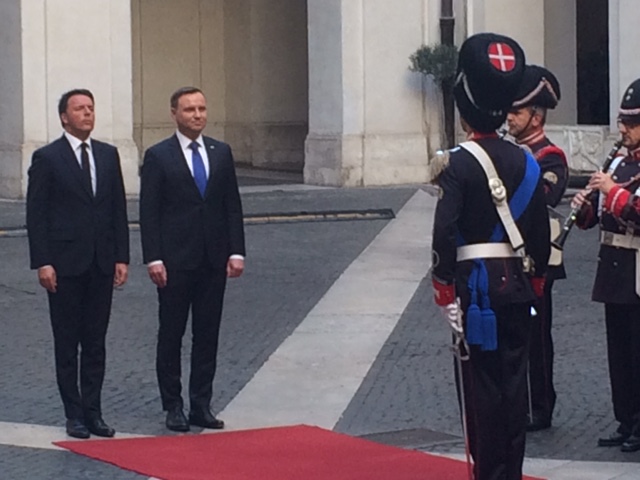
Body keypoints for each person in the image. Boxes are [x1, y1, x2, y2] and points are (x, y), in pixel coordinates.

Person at [431, 33, 550, 480]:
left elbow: (445, 230)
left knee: (479, 388)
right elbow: (539, 232)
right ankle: (511, 472)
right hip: (518, 284)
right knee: (514, 386)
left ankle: (488, 472)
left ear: (465, 113)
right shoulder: (528, 162)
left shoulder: (457, 163)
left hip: (475, 290)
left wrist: (444, 288)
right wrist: (534, 281)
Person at [139, 86, 245, 432]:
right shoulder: (159, 156)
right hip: (174, 262)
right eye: (189, 110)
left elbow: (231, 204)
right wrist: (153, 257)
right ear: (174, 114)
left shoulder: (221, 152)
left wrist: (236, 250)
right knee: (171, 335)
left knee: (207, 335)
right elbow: (149, 212)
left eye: (201, 108)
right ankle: (173, 406)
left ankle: (202, 404)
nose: (197, 115)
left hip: (213, 260)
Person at [26, 89, 129, 439]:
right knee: (67, 342)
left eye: (90, 108)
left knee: (96, 342)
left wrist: (121, 256)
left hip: (101, 262)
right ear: (64, 118)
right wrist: (43, 262)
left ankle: (94, 411)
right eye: (79, 109)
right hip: (65, 264)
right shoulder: (47, 158)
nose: (87, 113)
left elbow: (117, 209)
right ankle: (74, 413)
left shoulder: (107, 154)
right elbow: (36, 214)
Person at [572, 78, 640, 453]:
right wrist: (584, 206)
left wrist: (612, 191)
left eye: (631, 123)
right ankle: (625, 418)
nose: (623, 130)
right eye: (622, 121)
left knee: (637, 351)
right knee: (618, 352)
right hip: (614, 267)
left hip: (638, 268)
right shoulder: (616, 160)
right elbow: (595, 219)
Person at [507, 65, 569, 431]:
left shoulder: (551, 156)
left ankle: (540, 405)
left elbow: (545, 195)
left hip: (537, 258)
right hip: (509, 256)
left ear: (536, 115)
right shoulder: (511, 153)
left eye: (517, 112)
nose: (510, 118)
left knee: (536, 335)